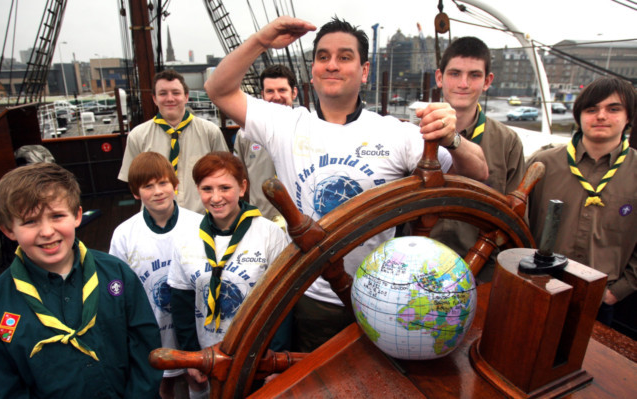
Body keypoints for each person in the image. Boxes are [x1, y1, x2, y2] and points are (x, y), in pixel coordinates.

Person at [204, 16, 489, 352]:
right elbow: (218, 89)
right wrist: (262, 40)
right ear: (312, 72)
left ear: (364, 71)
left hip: (386, 301)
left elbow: (477, 172)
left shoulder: (396, 134)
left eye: (344, 57)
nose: (332, 65)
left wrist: (452, 138)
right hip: (310, 298)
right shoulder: (284, 125)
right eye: (323, 57)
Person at [0, 163, 162, 398]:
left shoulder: (117, 274)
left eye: (57, 216)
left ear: (77, 216)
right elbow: (1, 388)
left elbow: (145, 347)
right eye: (30, 221)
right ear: (9, 230)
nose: (47, 231)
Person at [167, 152, 290, 394]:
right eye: (207, 188)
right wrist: (192, 356)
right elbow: (181, 303)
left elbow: (281, 302)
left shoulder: (269, 234)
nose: (216, 197)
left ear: (242, 187)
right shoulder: (185, 237)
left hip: (256, 353)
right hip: (208, 355)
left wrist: (276, 360)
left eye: (225, 187)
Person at [527, 76, 636, 326]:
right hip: (539, 287)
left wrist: (616, 293)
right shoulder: (542, 164)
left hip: (598, 300)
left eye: (613, 109)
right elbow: (517, 220)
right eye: (591, 109)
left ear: (628, 117)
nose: (601, 116)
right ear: (579, 116)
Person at [430, 36, 525, 283]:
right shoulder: (412, 134)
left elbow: (517, 221)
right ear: (440, 77)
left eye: (474, 75)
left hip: (482, 274)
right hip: (420, 267)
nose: (463, 83)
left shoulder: (508, 143)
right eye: (455, 74)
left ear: (487, 81)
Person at [109, 152, 204, 399]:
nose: (158, 191)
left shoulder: (199, 225)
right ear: (135, 192)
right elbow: (117, 288)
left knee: (198, 378)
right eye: (148, 186)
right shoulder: (124, 234)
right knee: (162, 383)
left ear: (175, 185)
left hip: (194, 323)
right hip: (151, 327)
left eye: (163, 183)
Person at [118, 69, 228, 213]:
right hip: (156, 218)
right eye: (163, 93)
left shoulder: (210, 133)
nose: (170, 99)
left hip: (201, 216)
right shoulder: (137, 136)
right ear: (154, 99)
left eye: (176, 93)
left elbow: (225, 175)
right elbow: (133, 180)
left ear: (186, 97)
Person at [233, 64, 299, 222]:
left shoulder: (310, 129)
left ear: (294, 92)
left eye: (282, 90)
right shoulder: (245, 135)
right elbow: (237, 180)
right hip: (262, 223)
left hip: (302, 223)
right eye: (270, 91)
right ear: (262, 95)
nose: (276, 97)